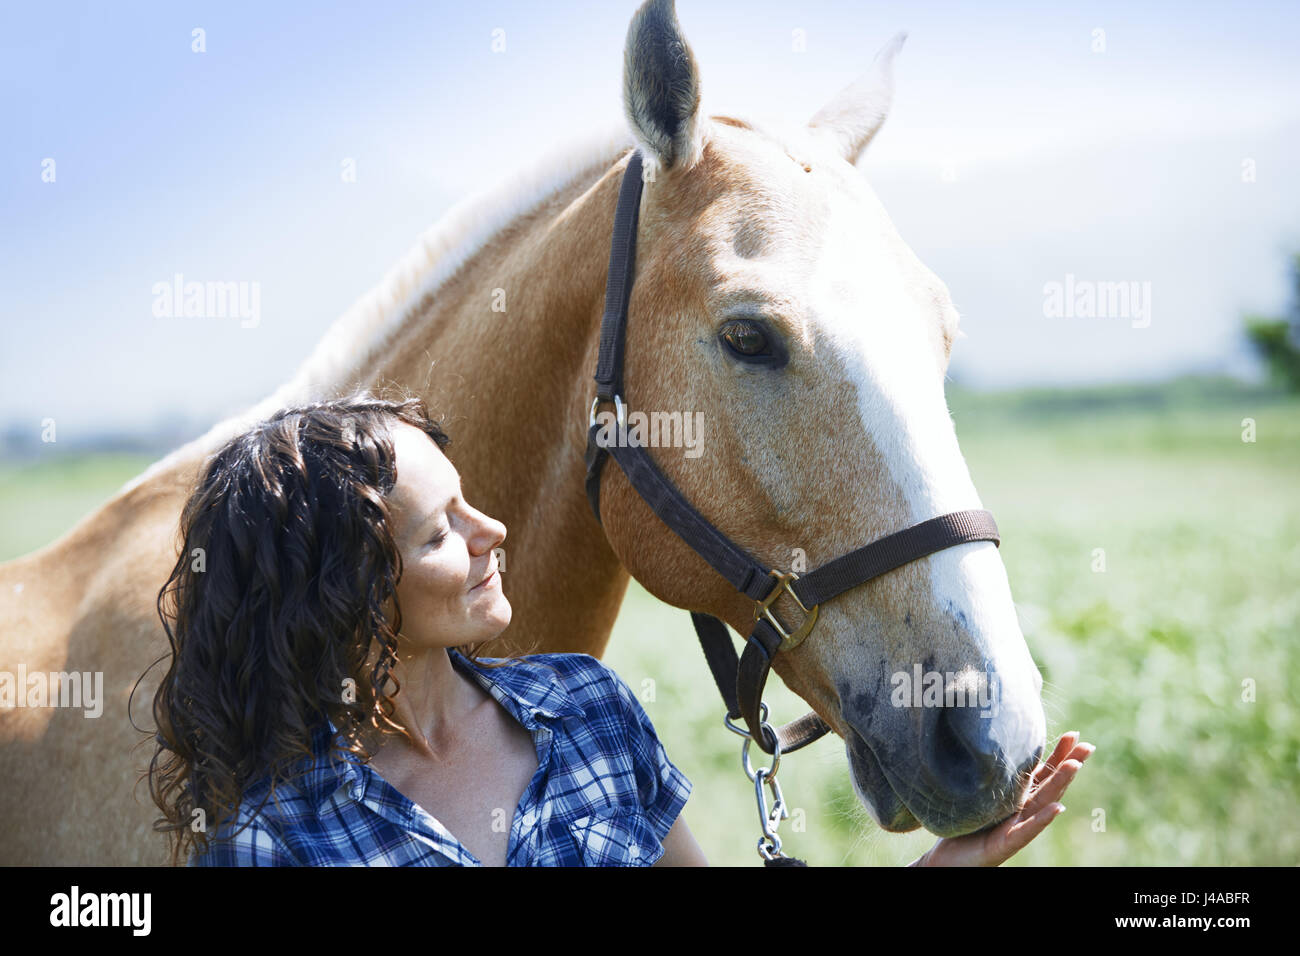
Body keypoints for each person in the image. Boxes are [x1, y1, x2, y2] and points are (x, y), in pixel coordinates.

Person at [146, 390, 1090, 867]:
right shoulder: (273, 842)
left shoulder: (588, 707)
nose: (495, 533)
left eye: (470, 501)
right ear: (341, 588)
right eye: (442, 531)